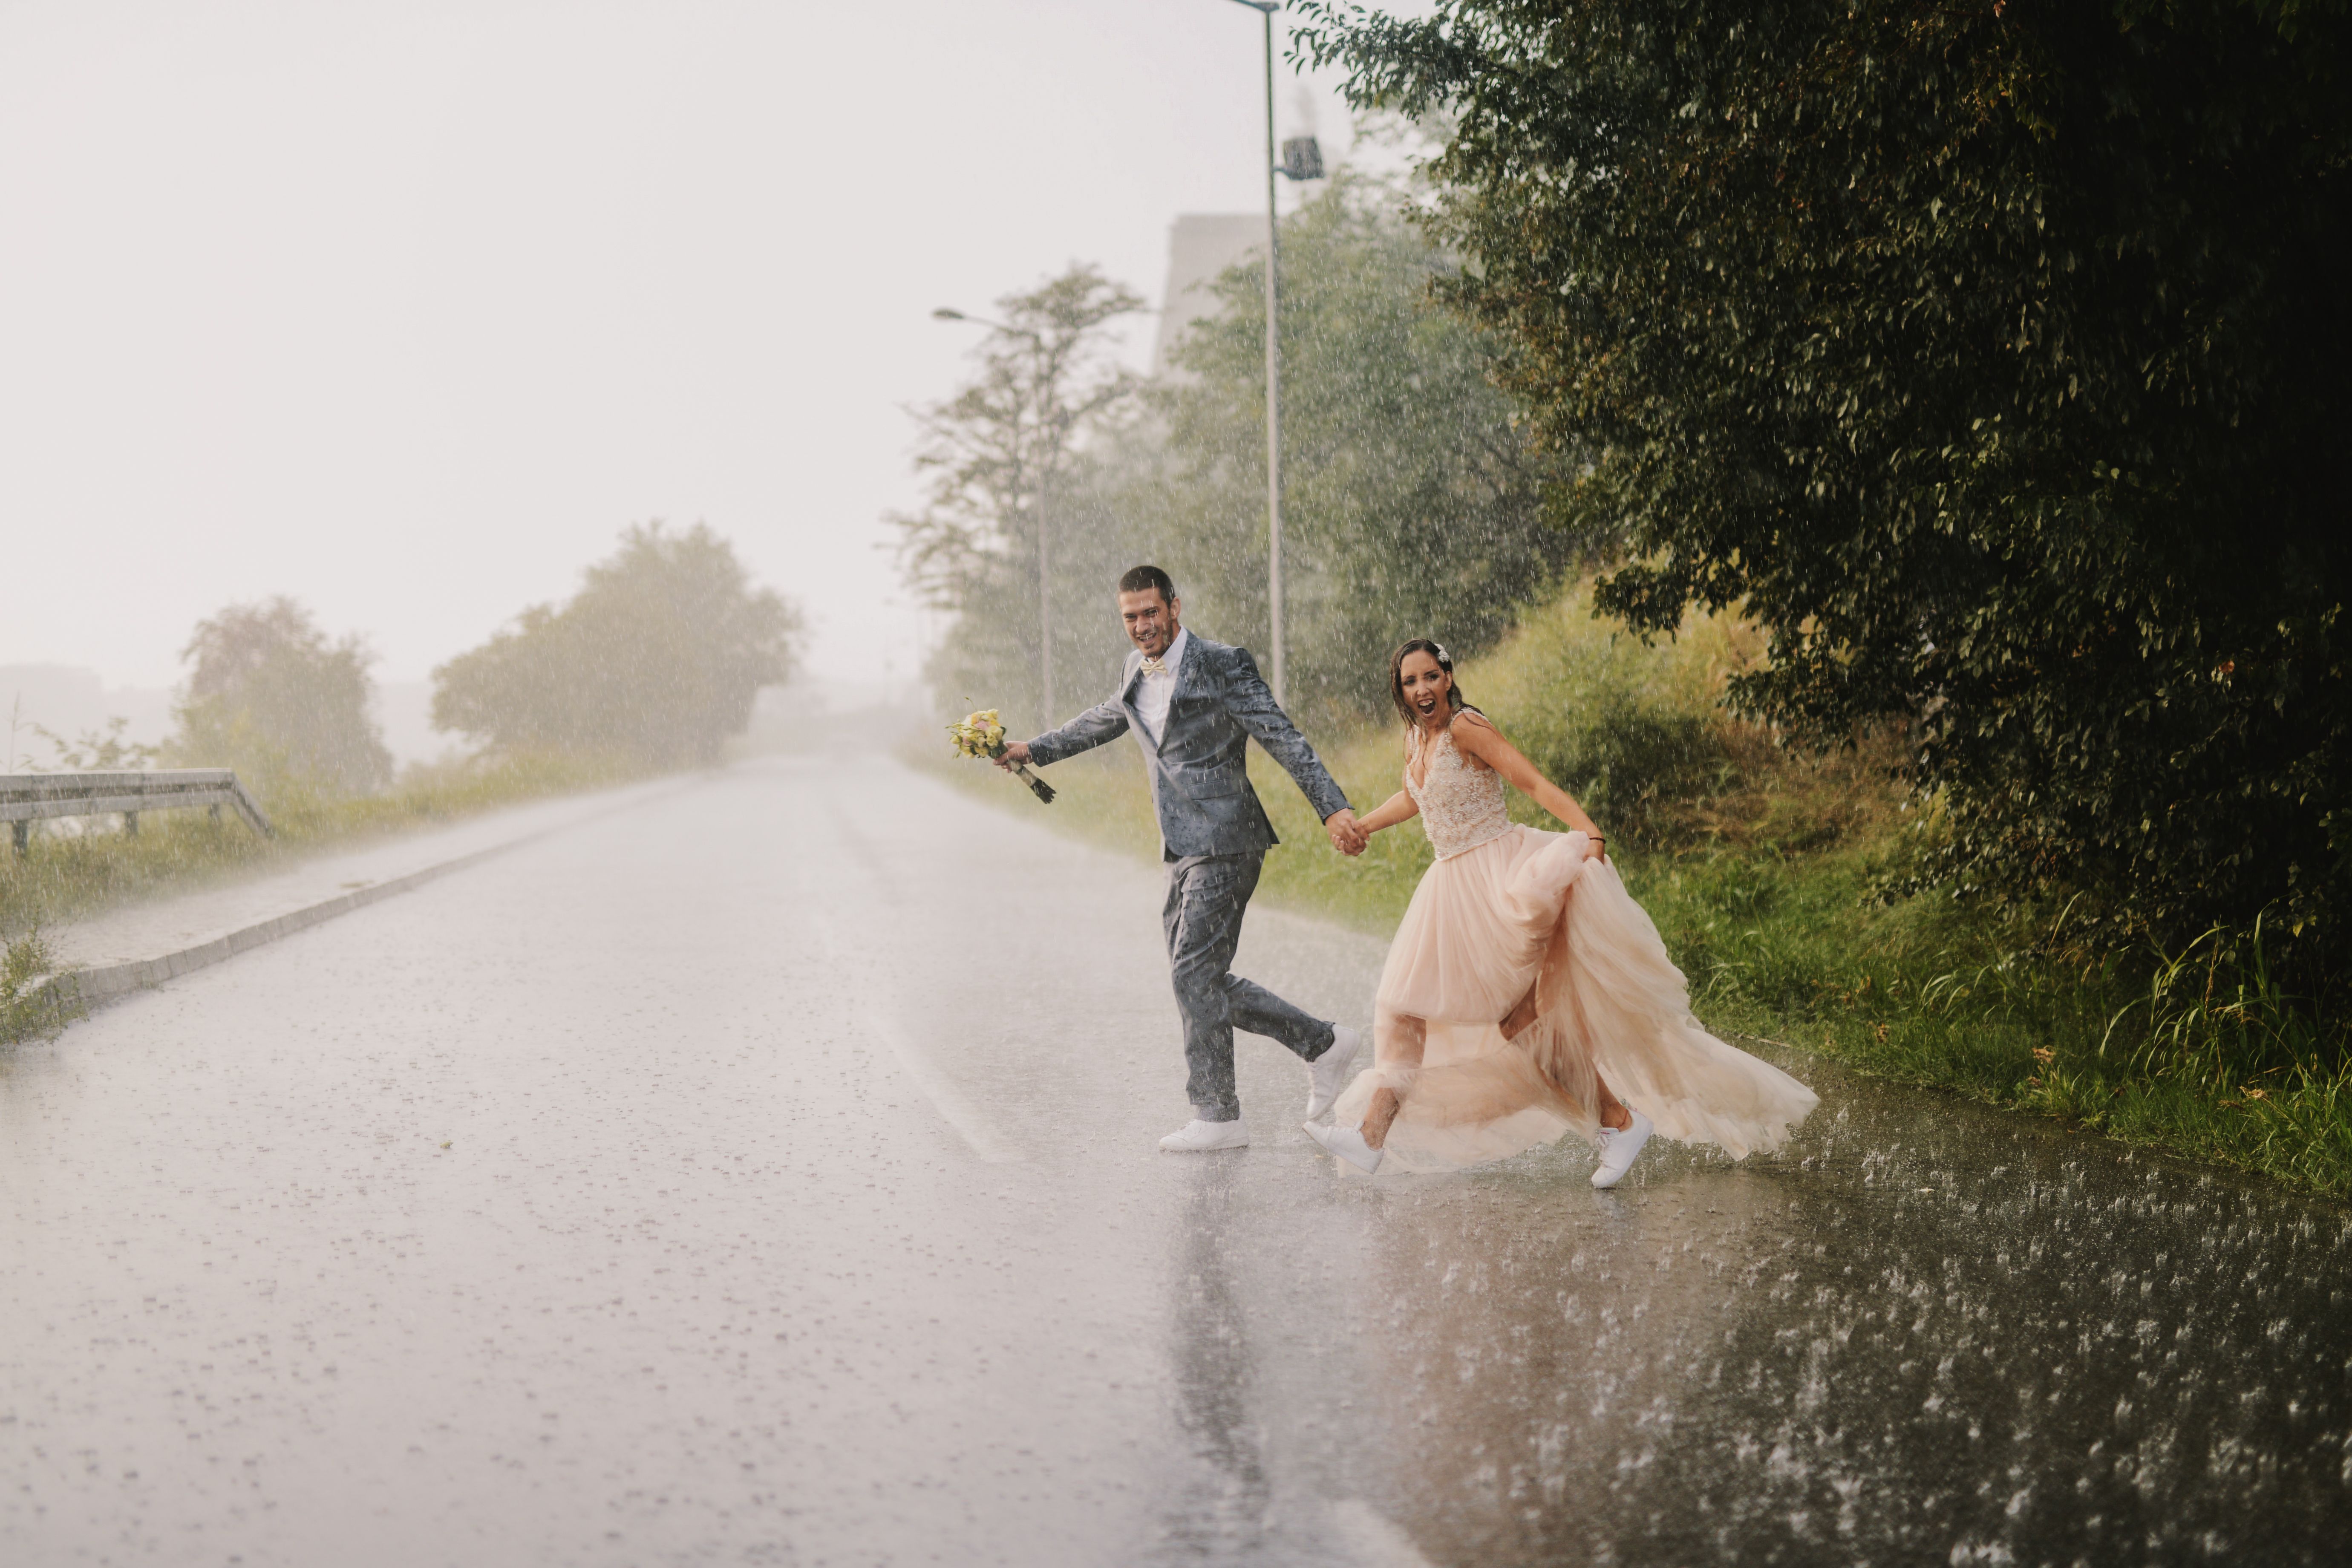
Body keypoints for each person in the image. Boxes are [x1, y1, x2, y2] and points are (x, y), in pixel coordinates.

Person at [1306, 639, 1817, 1184]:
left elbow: (1531, 780)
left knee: (1519, 1021)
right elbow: (1416, 797)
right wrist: (1365, 825)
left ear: (1449, 677)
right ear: (1400, 690)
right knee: (1410, 1009)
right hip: (1449, 889)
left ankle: (1620, 1121)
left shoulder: (1465, 728)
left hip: (1498, 879)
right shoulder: (1417, 737)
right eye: (1410, 682)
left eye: (1430, 677)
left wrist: (1589, 829)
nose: (1422, 690)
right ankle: (1372, 1138)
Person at [997, 565, 1369, 1151]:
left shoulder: (1222, 662)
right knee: (1196, 977)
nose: (1143, 626)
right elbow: (1108, 716)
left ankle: (1223, 1112)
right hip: (1181, 845)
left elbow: (1282, 735)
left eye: (1151, 612)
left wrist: (1332, 808)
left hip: (1228, 836)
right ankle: (1318, 1046)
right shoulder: (1133, 668)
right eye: (1131, 617)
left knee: (1192, 974)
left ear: (1175, 606)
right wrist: (1035, 750)